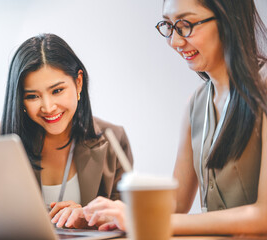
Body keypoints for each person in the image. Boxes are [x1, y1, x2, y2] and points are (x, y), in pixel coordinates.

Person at [78, 0, 267, 235]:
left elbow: (263, 215)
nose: (175, 41)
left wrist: (141, 219)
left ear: (228, 19)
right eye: (168, 26)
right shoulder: (196, 104)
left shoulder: (263, 89)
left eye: (186, 24)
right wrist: (102, 213)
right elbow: (176, 203)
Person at [0, 33, 134, 229]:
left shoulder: (113, 139)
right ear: (20, 99)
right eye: (32, 96)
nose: (48, 107)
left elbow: (130, 218)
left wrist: (87, 217)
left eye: (57, 91)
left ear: (78, 83)